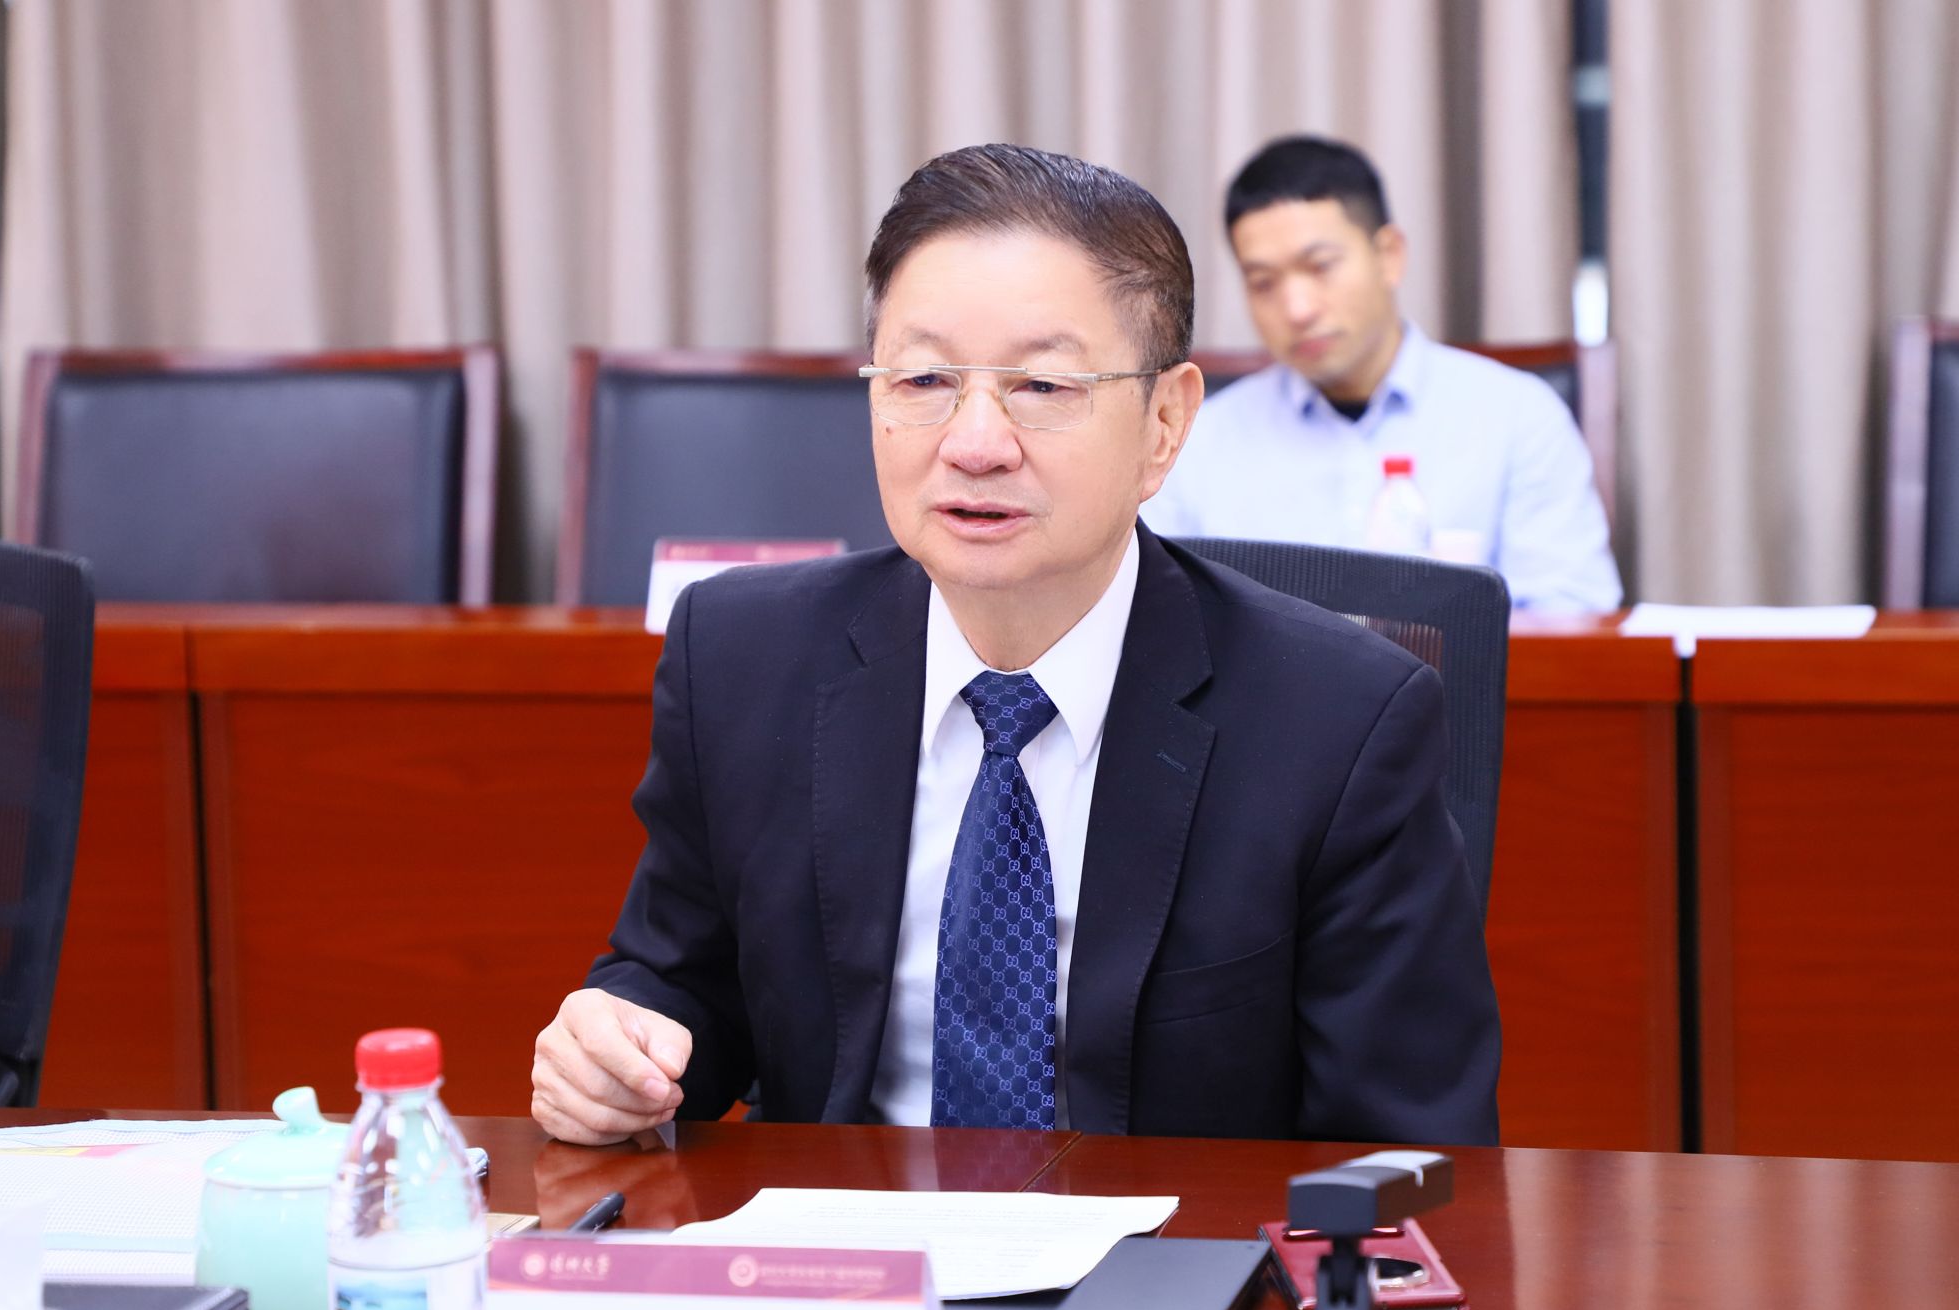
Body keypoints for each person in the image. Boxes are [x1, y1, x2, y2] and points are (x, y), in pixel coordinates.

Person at [531, 143, 1499, 1147]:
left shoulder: (1339, 721)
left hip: (1174, 1242)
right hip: (843, 1235)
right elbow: (684, 982)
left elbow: (1405, 1151)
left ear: (1165, 423)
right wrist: (619, 1049)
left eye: (1041, 385)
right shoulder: (741, 657)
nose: (974, 443)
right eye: (923, 378)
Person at [1143, 135, 1623, 613]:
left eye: (1321, 266)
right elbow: (1157, 618)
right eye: (1263, 282)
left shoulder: (1520, 417)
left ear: (1389, 255)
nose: (1297, 309)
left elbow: (1573, 619)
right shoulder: (1198, 442)